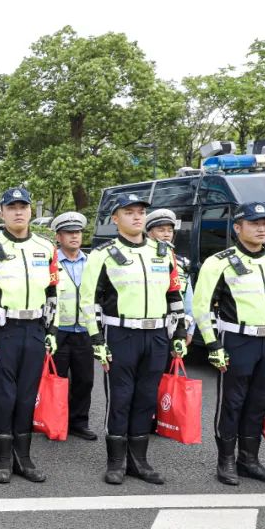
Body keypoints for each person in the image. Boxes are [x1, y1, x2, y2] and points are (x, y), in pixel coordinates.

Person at [80, 193, 187, 486]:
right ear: (115, 219)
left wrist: (179, 332)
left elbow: (174, 294)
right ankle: (116, 462)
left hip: (157, 335)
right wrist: (96, 339)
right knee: (121, 398)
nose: (137, 216)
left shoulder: (162, 252)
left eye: (140, 211)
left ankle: (139, 461)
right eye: (129, 212)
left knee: (146, 398)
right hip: (121, 334)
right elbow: (89, 300)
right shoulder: (103, 254)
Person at [194, 202, 265, 486]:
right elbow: (201, 307)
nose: (261, 228)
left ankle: (249, 460)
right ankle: (225, 461)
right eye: (254, 223)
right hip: (238, 341)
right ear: (237, 227)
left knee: (259, 403)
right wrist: (212, 345)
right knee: (232, 403)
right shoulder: (218, 262)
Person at [0, 187, 57, 484]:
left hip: (35, 329)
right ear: (3, 213)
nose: (18, 212)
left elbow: (53, 293)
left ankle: (24, 458)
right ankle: (3, 459)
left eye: (23, 206)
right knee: (5, 396)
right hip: (3, 331)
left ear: (30, 210)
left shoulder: (46, 247)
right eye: (11, 207)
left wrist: (52, 330)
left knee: (28, 395)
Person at [50, 212, 97, 441]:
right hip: (59, 330)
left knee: (84, 380)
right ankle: (54, 421)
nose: (74, 236)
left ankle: (79, 422)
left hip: (85, 331)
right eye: (69, 232)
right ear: (59, 237)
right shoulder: (51, 262)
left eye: (77, 232)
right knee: (56, 380)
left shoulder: (91, 263)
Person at [145, 209, 195, 345]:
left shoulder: (181, 262)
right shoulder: (141, 260)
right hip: (151, 328)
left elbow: (188, 299)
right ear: (149, 233)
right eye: (161, 230)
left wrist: (189, 329)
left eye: (170, 230)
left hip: (177, 328)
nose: (166, 234)